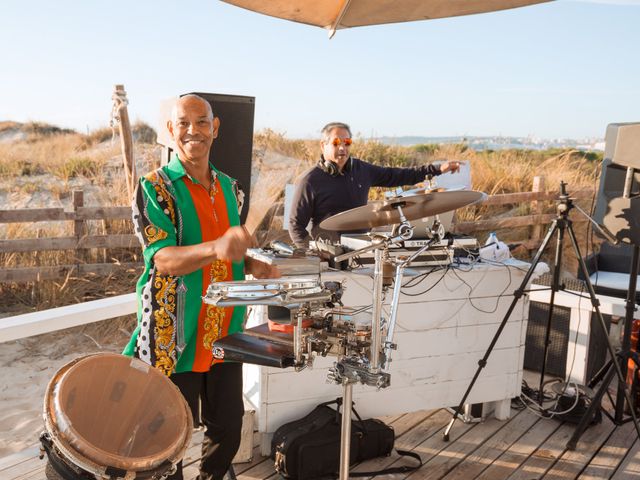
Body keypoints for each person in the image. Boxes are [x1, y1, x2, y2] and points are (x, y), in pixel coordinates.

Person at [123, 94, 276, 480]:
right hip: (172, 333)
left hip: (225, 329)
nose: (194, 131)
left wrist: (255, 265)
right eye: (184, 123)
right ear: (171, 130)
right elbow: (163, 259)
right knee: (166, 433)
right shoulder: (155, 188)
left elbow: (231, 255)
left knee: (227, 427)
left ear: (216, 127)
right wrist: (215, 248)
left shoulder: (231, 189)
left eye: (202, 122)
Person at [288, 121, 462, 247]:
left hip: (363, 247)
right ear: (322, 145)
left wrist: (438, 168)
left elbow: (398, 175)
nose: (342, 147)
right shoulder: (310, 180)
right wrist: (314, 253)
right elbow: (295, 226)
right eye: (336, 142)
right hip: (329, 253)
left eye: (347, 142)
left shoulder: (361, 169)